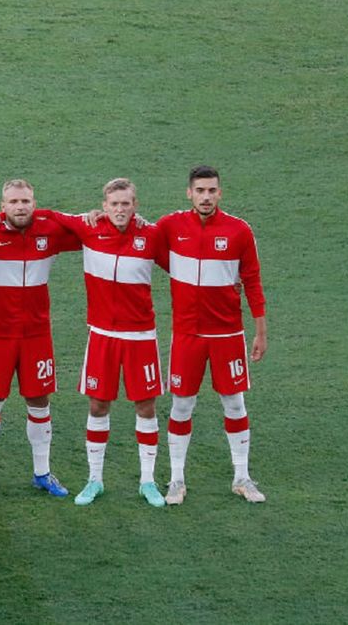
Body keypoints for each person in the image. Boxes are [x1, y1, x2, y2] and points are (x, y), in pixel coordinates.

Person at [35, 180, 169, 507]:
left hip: (141, 338)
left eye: (126, 203)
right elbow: (45, 214)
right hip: (102, 336)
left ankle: (148, 481)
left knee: (146, 406)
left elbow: (181, 266)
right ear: (104, 206)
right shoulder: (89, 227)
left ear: (135, 204)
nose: (120, 209)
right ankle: (94, 479)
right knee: (97, 404)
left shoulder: (151, 236)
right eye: (114, 204)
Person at [156, 166, 267, 504]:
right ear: (189, 193)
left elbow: (252, 281)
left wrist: (260, 331)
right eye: (200, 191)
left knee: (234, 403)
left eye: (212, 191)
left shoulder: (238, 231)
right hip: (187, 335)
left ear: (220, 193)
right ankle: (176, 480)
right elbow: (139, 240)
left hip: (228, 335)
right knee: (181, 404)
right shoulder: (171, 226)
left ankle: (242, 476)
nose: (206, 197)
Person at [0, 179, 81, 499]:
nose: (20, 207)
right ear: (2, 206)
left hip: (37, 336)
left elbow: (93, 233)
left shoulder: (51, 232)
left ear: (34, 203)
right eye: (13, 202)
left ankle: (42, 473)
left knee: (39, 401)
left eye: (26, 201)